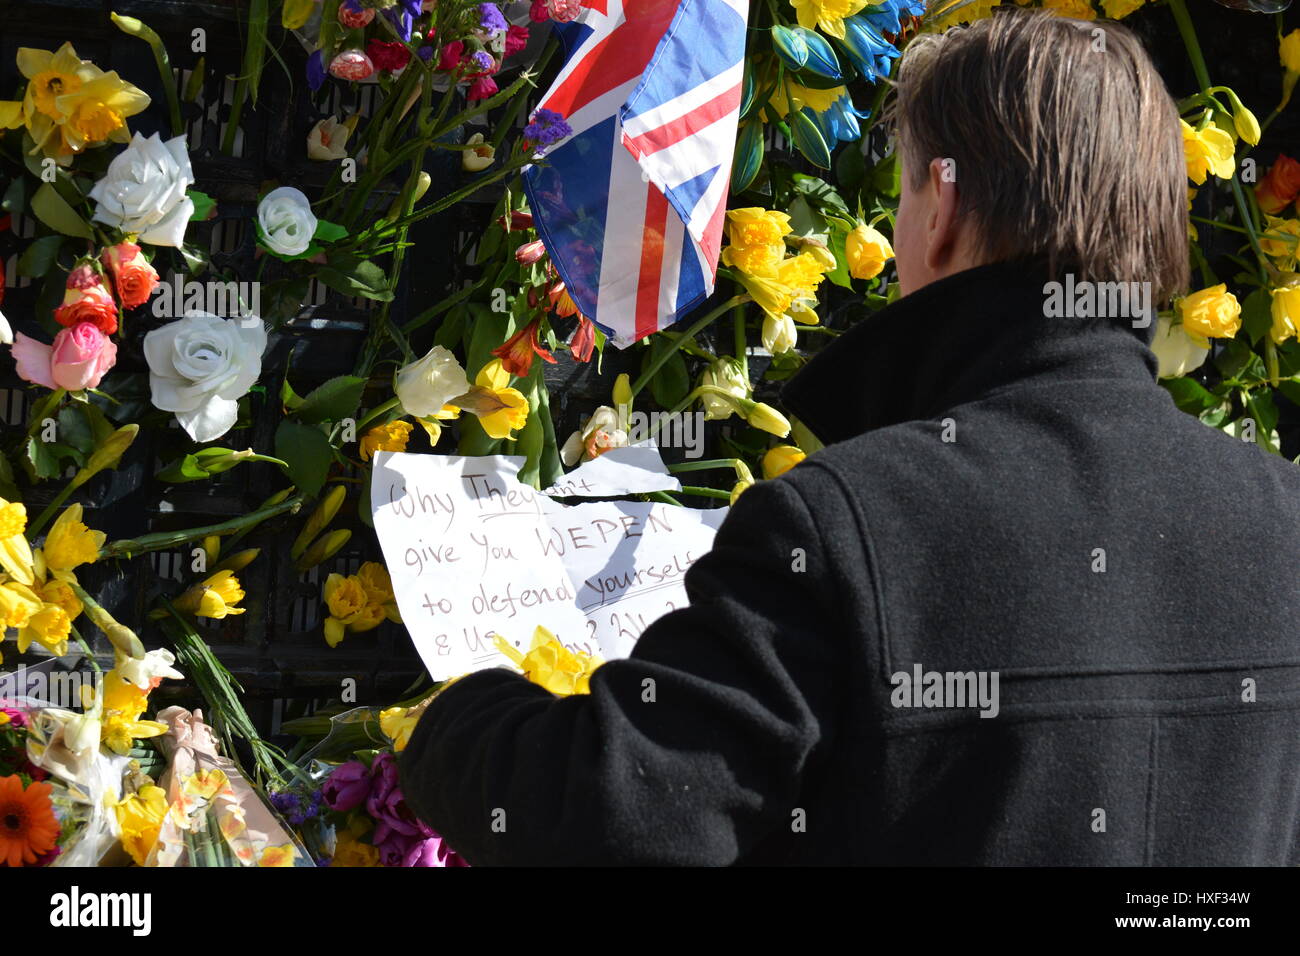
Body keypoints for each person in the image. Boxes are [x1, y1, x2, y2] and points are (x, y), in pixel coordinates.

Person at [398, 8, 1300, 865]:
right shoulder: (1284, 520)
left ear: (940, 215)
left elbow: (612, 809)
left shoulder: (850, 523)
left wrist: (452, 724)